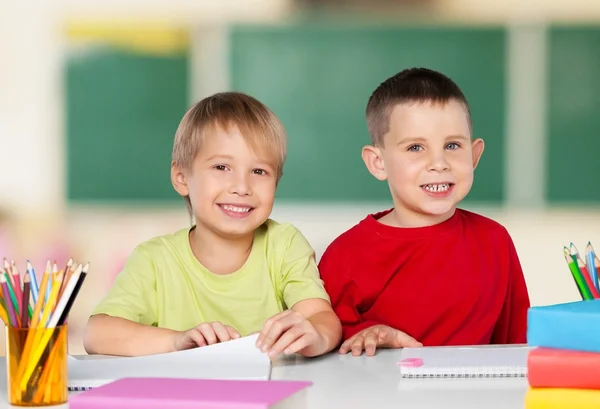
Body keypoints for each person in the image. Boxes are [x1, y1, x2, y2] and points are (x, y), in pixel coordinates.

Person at [83, 91, 342, 358]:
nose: (242, 187)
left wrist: (316, 335)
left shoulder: (284, 245)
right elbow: (97, 334)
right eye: (221, 167)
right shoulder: (154, 260)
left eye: (259, 171)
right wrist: (177, 341)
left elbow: (321, 316)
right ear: (182, 178)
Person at [318, 67, 530, 357]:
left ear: (474, 155)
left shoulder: (495, 240)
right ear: (378, 163)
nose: (439, 163)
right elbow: (326, 348)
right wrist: (367, 336)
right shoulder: (345, 256)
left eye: (453, 145)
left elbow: (516, 346)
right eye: (416, 147)